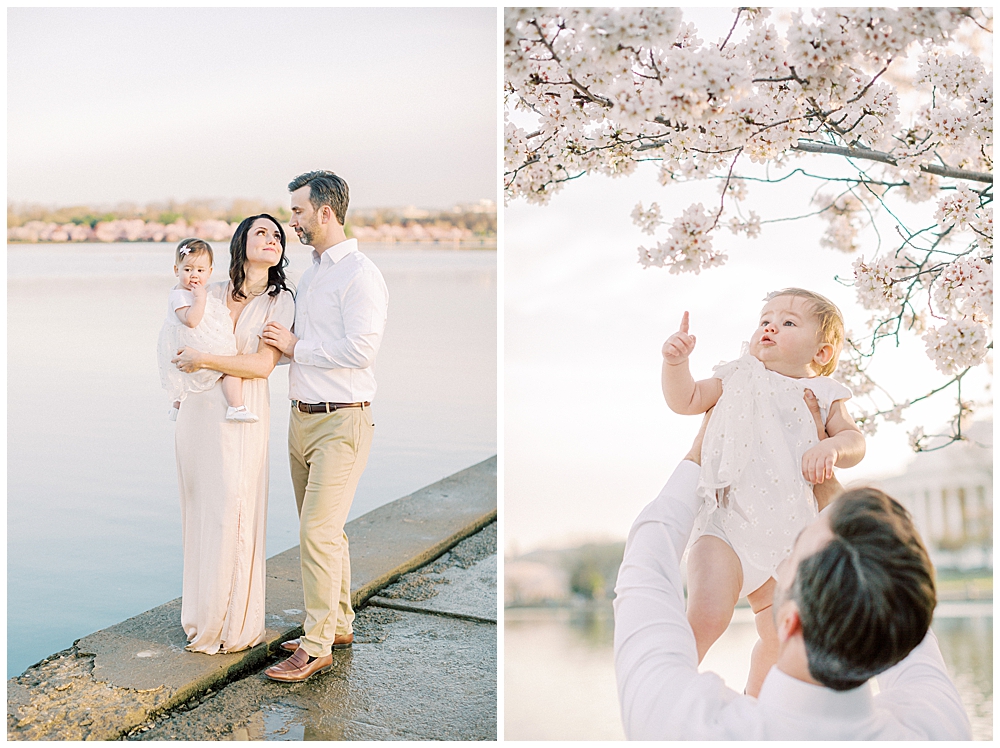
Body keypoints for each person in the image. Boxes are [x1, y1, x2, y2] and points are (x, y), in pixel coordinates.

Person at [613, 409, 972, 740]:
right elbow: (905, 620)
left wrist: (697, 455)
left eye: (798, 542)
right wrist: (829, 490)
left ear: (788, 621)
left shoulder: (680, 724)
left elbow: (646, 566)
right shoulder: (937, 727)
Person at [660, 288, 865, 695]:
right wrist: (676, 363)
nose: (769, 326)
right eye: (765, 319)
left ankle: (756, 717)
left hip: (789, 538)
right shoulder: (736, 375)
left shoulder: (826, 395)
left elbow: (855, 443)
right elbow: (686, 399)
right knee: (706, 615)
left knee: (781, 639)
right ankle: (666, 694)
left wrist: (830, 446)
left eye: (788, 322)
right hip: (727, 525)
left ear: (821, 354)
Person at [260, 170, 389, 682]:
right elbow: (304, 346)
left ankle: (315, 648)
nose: (292, 219)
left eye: (297, 211)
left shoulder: (360, 274)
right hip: (302, 420)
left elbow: (362, 350)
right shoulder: (312, 272)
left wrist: (296, 349)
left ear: (325, 213)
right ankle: (336, 625)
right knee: (325, 533)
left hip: (343, 421)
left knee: (316, 531)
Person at [170, 214, 294, 654]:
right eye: (261, 232)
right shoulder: (211, 290)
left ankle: (233, 624)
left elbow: (262, 366)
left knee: (234, 511)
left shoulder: (280, 302)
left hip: (241, 413)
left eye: (277, 235)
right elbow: (175, 333)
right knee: (201, 511)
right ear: (241, 242)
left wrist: (203, 359)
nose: (272, 239)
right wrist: (183, 381)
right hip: (198, 411)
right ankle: (203, 618)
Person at [156, 238, 258, 423]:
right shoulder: (179, 296)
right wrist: (200, 299)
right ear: (176, 270)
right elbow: (192, 321)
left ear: (209, 272)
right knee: (230, 367)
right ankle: (236, 406)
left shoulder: (191, 291)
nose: (194, 275)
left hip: (196, 340)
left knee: (185, 378)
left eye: (200, 270)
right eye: (187, 269)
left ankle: (177, 408)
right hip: (192, 341)